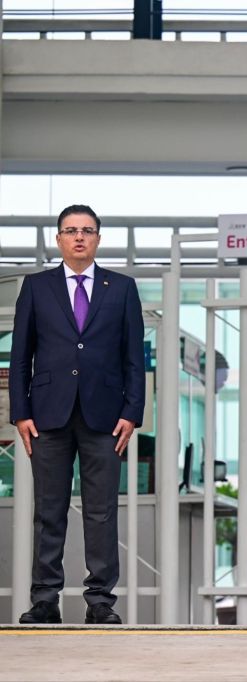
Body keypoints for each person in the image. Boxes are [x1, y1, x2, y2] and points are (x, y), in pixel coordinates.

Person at [10, 204, 145, 625]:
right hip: (46, 415)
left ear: (98, 238)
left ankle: (100, 600)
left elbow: (134, 357)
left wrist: (132, 412)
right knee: (48, 510)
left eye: (87, 230)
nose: (79, 237)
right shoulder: (37, 286)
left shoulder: (121, 288)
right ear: (59, 239)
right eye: (71, 230)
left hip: (105, 417)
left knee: (101, 511)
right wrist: (20, 412)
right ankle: (45, 599)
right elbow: (20, 356)